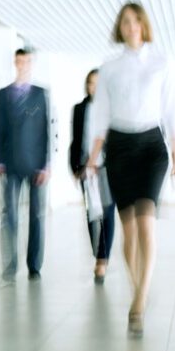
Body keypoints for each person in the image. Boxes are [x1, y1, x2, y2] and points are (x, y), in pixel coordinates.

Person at [86, 2, 175, 337]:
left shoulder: (161, 62)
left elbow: (170, 110)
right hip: (120, 148)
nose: (131, 26)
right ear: (120, 27)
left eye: (136, 20)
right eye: (125, 21)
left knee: (146, 225)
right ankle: (138, 284)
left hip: (152, 147)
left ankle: (139, 299)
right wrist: (93, 157)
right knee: (128, 233)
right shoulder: (109, 68)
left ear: (144, 25)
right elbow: (101, 114)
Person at [0, 49, 50, 282]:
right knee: (9, 216)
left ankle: (34, 265)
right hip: (10, 163)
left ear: (32, 63)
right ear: (15, 63)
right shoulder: (4, 94)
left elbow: (46, 130)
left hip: (36, 164)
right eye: (19, 61)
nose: (23, 65)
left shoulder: (40, 94)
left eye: (27, 61)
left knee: (36, 215)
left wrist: (46, 164)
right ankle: (9, 265)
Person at [70, 69, 116, 283]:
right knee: (91, 214)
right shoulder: (79, 109)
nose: (94, 87)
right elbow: (75, 139)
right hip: (85, 170)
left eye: (98, 83)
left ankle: (102, 260)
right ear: (86, 86)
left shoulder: (111, 110)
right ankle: (97, 253)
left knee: (106, 213)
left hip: (105, 168)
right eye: (91, 83)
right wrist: (74, 166)